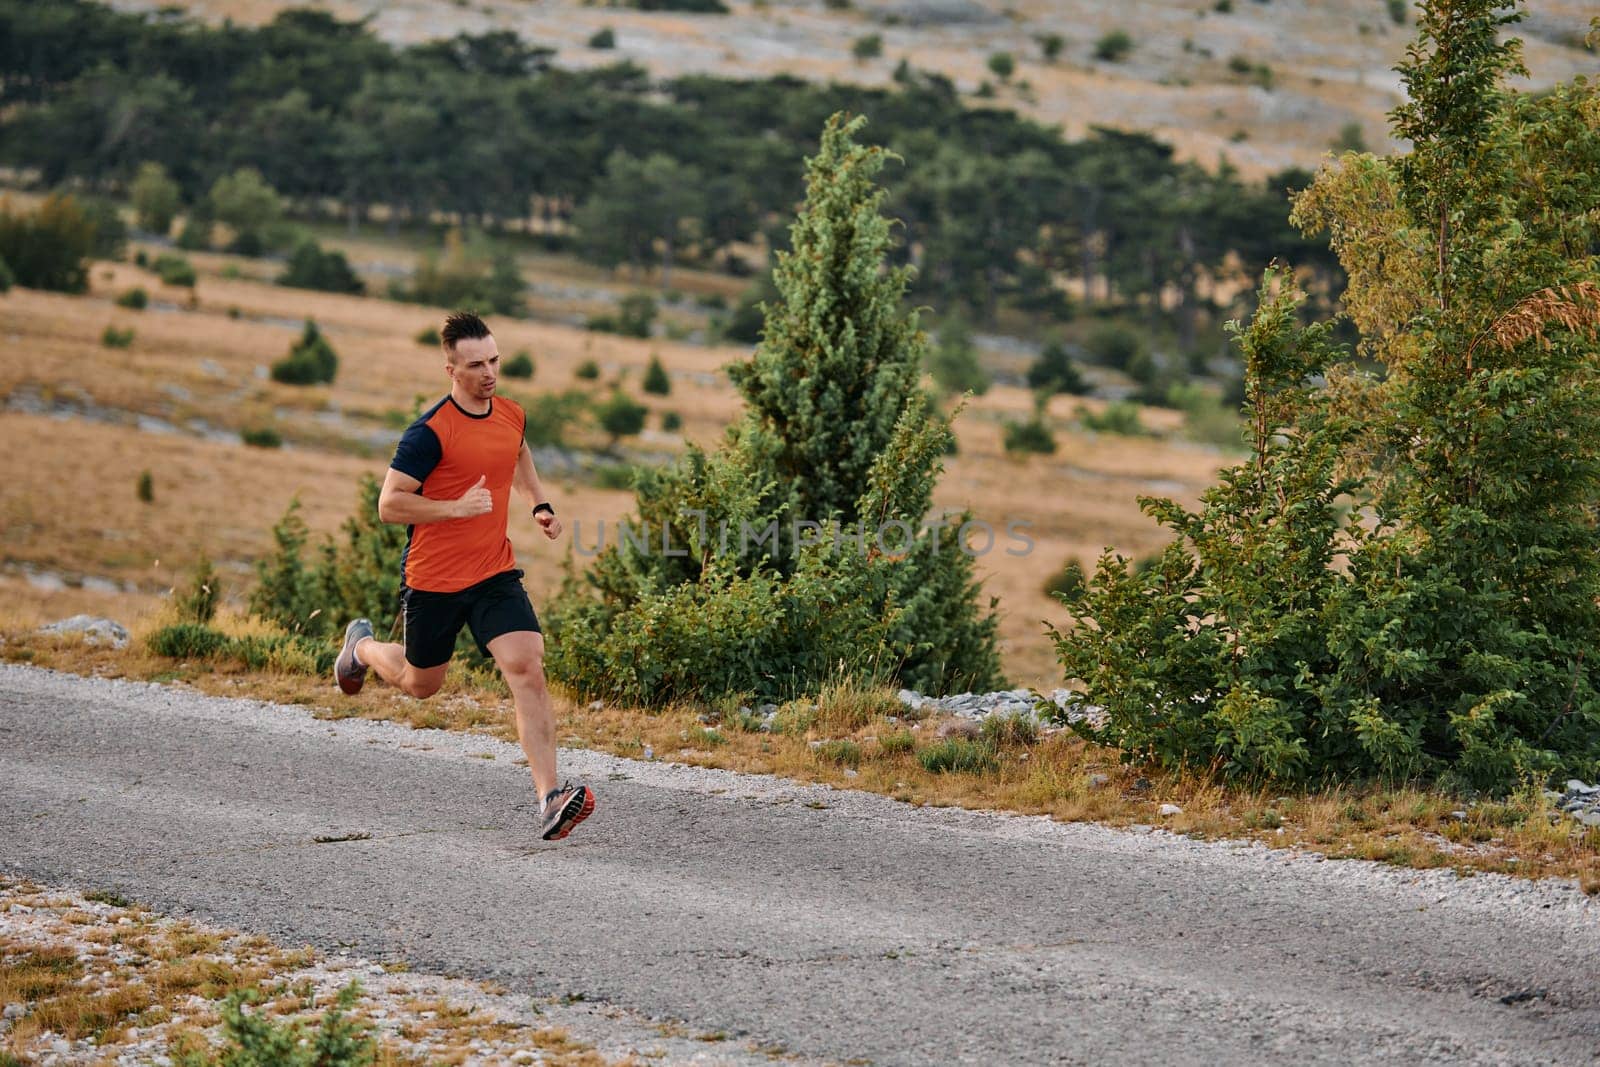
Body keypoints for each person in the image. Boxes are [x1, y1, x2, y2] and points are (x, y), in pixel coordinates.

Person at [333, 310, 594, 841]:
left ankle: (549, 798)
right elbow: (389, 504)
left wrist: (537, 502)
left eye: (495, 360)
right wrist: (453, 508)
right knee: (420, 683)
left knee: (527, 666)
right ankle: (360, 648)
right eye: (476, 365)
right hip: (433, 580)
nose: (489, 373)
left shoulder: (511, 414)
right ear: (450, 369)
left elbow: (517, 453)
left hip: (494, 572)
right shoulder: (429, 433)